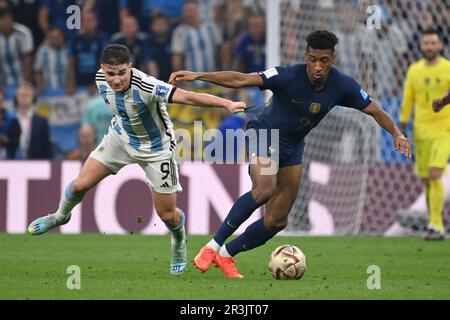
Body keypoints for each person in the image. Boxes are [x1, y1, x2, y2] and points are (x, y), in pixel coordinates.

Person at [169, 30, 412, 278]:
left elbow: (375, 110)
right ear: (306, 56)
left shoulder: (343, 85)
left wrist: (397, 133)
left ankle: (226, 255)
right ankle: (212, 247)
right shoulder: (287, 75)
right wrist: (199, 75)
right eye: (313, 59)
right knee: (264, 189)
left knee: (277, 220)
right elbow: (241, 79)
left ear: (333, 60)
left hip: (293, 146)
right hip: (264, 133)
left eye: (324, 61)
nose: (318, 66)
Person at [27, 44, 246, 275]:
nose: (117, 79)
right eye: (112, 74)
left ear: (130, 67)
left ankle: (179, 240)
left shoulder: (147, 85)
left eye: (122, 72)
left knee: (167, 215)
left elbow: (188, 96)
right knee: (80, 184)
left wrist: (227, 103)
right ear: (103, 69)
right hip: (120, 139)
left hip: (157, 150)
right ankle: (60, 216)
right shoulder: (100, 78)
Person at [399, 29, 450, 241]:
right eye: (426, 43)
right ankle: (433, 222)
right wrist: (401, 125)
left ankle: (437, 226)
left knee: (435, 173)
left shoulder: (447, 68)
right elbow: (408, 97)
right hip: (420, 131)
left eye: (433, 43)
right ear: (421, 46)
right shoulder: (414, 70)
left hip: (444, 129)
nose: (429, 46)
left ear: (440, 46)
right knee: (427, 179)